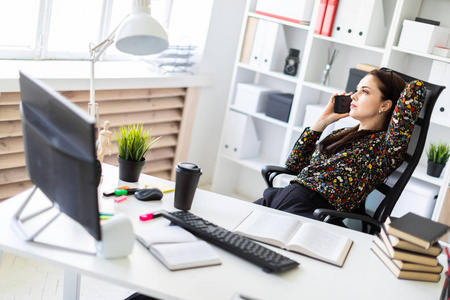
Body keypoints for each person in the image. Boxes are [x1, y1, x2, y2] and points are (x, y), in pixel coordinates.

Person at [254, 69, 427, 219]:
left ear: (385, 104)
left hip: (312, 209)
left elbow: (416, 89)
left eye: (364, 91)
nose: (353, 95)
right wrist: (321, 121)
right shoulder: (341, 134)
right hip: (282, 195)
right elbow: (294, 164)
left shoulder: (387, 148)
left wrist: (388, 76)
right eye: (356, 90)